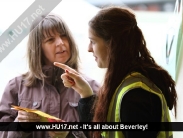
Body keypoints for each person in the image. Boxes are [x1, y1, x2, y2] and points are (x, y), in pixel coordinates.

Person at [54, 6, 178, 138]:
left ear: (113, 44)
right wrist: (85, 93)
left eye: (93, 41)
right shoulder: (126, 83)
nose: (89, 49)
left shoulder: (135, 95)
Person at [0, 13, 100, 138]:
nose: (60, 43)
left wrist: (69, 135)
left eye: (64, 36)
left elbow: (101, 134)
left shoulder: (91, 88)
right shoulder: (15, 87)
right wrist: (19, 127)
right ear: (38, 49)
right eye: (50, 40)